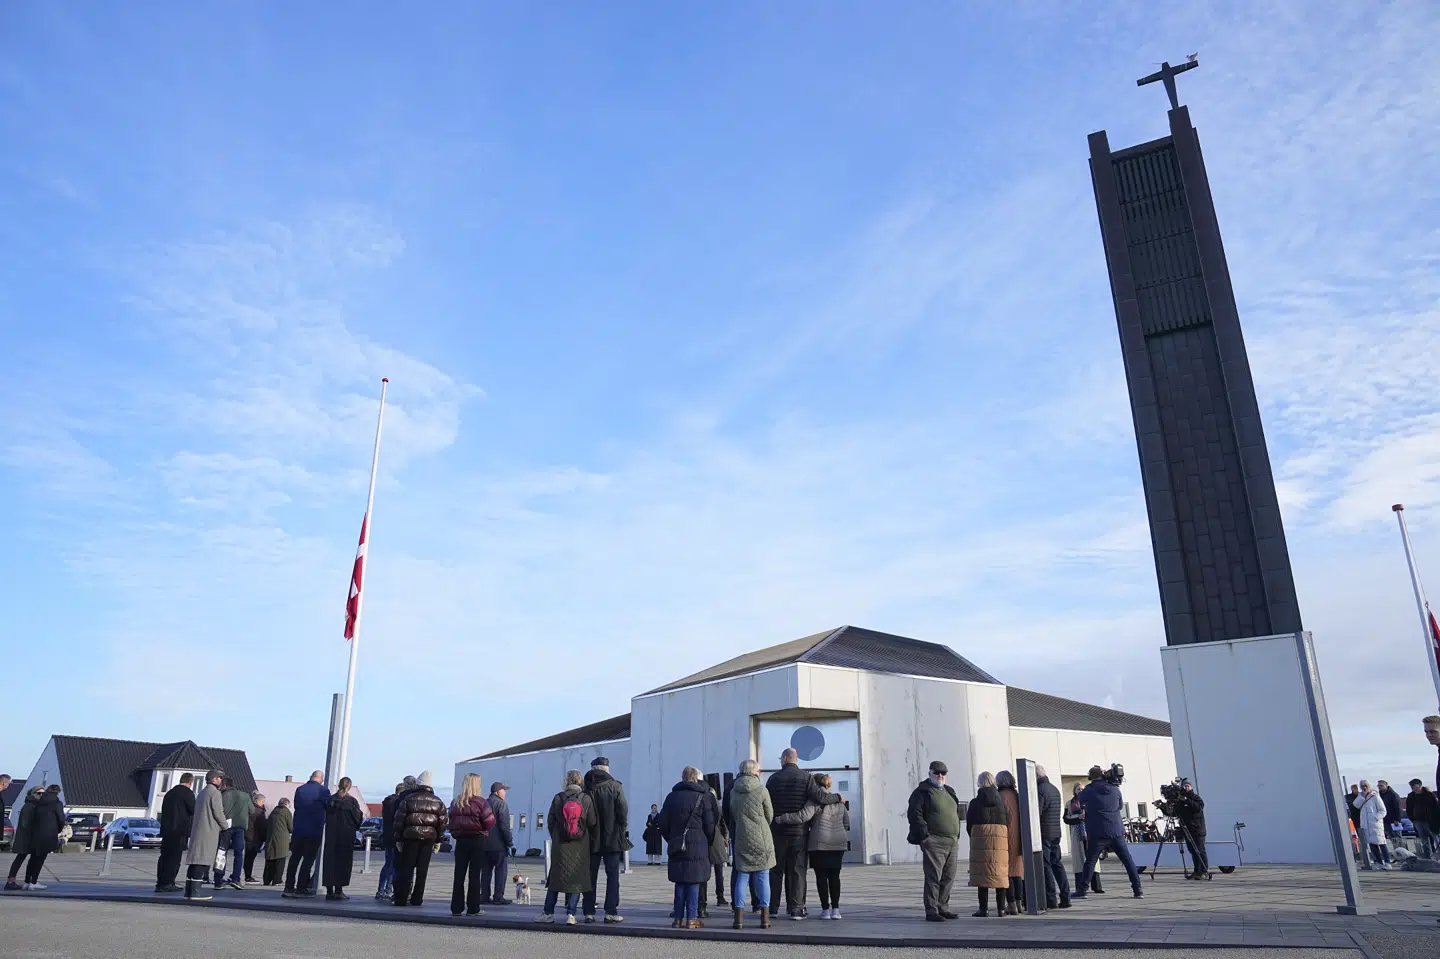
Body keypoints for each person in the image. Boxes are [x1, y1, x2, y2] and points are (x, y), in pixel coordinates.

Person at [774, 773, 850, 920]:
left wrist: (781, 818)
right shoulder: (840, 801)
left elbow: (802, 816)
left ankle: (825, 910)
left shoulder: (815, 801)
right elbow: (846, 822)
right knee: (835, 876)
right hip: (838, 844)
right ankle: (836, 909)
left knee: (821, 877)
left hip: (819, 844)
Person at [766, 747, 827, 920]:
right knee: (797, 871)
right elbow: (819, 797)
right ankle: (796, 909)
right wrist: (837, 798)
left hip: (777, 832)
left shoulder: (773, 779)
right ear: (794, 759)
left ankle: (773, 908)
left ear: (785, 759)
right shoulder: (806, 777)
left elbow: (767, 805)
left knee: (775, 871)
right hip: (799, 833)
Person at [656, 765, 718, 929]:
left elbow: (662, 822)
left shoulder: (671, 797)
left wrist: (671, 838)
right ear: (696, 778)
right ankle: (691, 917)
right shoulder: (702, 797)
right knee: (693, 881)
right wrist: (707, 841)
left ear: (682, 778)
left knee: (680, 881)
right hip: (698, 842)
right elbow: (710, 825)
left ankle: (677, 918)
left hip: (677, 843)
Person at [1071, 766, 1143, 900]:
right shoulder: (1115, 789)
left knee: (1090, 862)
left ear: (1091, 777)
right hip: (1116, 831)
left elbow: (1078, 801)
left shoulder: (1089, 790)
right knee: (1127, 860)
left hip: (1098, 832)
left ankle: (1082, 890)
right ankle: (1138, 889)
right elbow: (1120, 806)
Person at [537, 769, 596, 925]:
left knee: (555, 880)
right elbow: (592, 822)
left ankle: (548, 913)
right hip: (580, 846)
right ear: (580, 782)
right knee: (576, 881)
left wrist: (557, 836)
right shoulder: (586, 799)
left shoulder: (558, 798)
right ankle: (571, 914)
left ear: (566, 782)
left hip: (561, 846)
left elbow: (550, 821)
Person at [907, 759, 963, 922]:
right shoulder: (922, 792)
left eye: (943, 773)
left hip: (952, 842)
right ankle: (932, 910)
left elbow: (955, 813)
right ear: (930, 773)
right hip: (934, 841)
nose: (940, 775)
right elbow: (914, 814)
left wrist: (956, 834)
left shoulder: (949, 791)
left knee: (949, 877)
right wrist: (925, 836)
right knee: (933, 876)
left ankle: (943, 907)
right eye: (936, 773)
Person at [723, 759, 775, 930]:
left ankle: (738, 918)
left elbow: (733, 813)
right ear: (754, 771)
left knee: (742, 876)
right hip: (761, 837)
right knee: (763, 876)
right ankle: (765, 918)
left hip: (741, 837)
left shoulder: (733, 791)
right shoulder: (761, 789)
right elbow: (769, 814)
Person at [582, 757, 630, 923]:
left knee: (590, 876)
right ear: (606, 769)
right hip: (612, 838)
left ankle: (588, 911)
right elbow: (623, 810)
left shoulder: (585, 788)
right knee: (612, 877)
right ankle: (610, 911)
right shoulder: (615, 786)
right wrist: (621, 829)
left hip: (591, 839)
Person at [392, 770, 448, 907]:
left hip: (410, 837)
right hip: (428, 839)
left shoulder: (408, 799)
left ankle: (401, 898)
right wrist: (438, 841)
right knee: (422, 871)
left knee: (407, 868)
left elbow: (399, 820)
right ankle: (417, 899)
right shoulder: (438, 801)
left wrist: (398, 838)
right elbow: (442, 823)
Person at [448, 773, 497, 916]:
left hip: (461, 841)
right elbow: (489, 821)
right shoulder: (481, 802)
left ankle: (456, 907)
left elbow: (450, 822)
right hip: (477, 840)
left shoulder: (456, 802)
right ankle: (473, 907)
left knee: (459, 875)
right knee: (474, 875)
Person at [965, 771, 1010, 917]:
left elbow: (969, 825)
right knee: (1000, 873)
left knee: (981, 874)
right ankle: (1001, 909)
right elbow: (1007, 821)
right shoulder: (1001, 802)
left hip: (981, 841)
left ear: (979, 783)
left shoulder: (975, 803)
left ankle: (983, 909)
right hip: (999, 842)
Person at [6, 786, 63, 891]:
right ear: (32, 794)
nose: (41, 795)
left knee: (30, 859)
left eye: (42, 793)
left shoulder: (38, 805)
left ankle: (25, 881)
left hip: (32, 837)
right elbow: (25, 823)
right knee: (20, 858)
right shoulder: (29, 805)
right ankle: (11, 881)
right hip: (26, 838)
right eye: (38, 793)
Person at [284, 770, 330, 898]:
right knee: (308, 861)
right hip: (314, 830)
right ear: (321, 779)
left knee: (294, 859)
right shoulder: (323, 791)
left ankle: (288, 887)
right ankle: (301, 887)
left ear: (311, 777)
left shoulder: (300, 790)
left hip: (298, 829)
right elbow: (329, 808)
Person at [185, 770, 228, 901]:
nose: (221, 780)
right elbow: (218, 812)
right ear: (214, 779)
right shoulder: (215, 793)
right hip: (208, 831)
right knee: (202, 860)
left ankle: (189, 890)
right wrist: (226, 826)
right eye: (220, 778)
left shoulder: (202, 792)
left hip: (198, 830)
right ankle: (196, 892)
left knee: (194, 861)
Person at [322, 777, 364, 900]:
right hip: (346, 835)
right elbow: (357, 819)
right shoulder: (351, 801)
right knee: (343, 862)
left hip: (331, 835)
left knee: (330, 862)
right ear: (349, 786)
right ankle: (339, 890)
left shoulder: (331, 800)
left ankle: (329, 890)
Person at [1035, 766, 1070, 909]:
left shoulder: (1040, 790)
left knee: (1046, 865)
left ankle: (1051, 899)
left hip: (1045, 833)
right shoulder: (1054, 789)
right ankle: (1066, 896)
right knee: (1057, 864)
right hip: (1056, 832)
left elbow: (1037, 812)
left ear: (1036, 776)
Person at [155, 773, 195, 893]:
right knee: (174, 858)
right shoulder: (187, 793)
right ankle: (168, 882)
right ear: (191, 782)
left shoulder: (169, 793)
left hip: (167, 830)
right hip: (179, 830)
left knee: (164, 857)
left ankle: (161, 882)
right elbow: (193, 809)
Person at [376, 779, 411, 901]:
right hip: (396, 837)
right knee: (394, 866)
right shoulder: (398, 803)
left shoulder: (387, 802)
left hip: (387, 837)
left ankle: (381, 890)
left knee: (388, 864)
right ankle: (388, 890)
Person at [1064, 782, 1102, 894]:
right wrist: (1077, 818)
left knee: (1093, 859)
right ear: (1074, 791)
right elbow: (1066, 819)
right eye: (1078, 789)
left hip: (1090, 832)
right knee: (1079, 861)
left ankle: (1097, 886)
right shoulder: (1069, 803)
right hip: (1077, 834)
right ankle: (1080, 887)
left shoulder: (1090, 801)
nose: (1080, 790)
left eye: (1082, 789)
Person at [479, 781, 513, 905]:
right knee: (501, 871)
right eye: (504, 790)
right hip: (498, 844)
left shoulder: (483, 803)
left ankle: (484, 895)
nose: (505, 793)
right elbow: (504, 826)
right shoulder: (501, 804)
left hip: (484, 843)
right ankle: (498, 896)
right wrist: (509, 842)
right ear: (498, 791)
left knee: (486, 871)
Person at [995, 770, 1025, 916]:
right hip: (1020, 837)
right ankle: (1020, 904)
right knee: (1018, 872)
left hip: (1006, 837)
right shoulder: (1017, 796)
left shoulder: (1000, 796)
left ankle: (1011, 904)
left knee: (1007, 873)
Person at [698, 786, 728, 919]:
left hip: (706, 841)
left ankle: (702, 902)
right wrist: (725, 839)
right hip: (717, 841)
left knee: (704, 873)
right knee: (719, 870)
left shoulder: (702, 806)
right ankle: (720, 896)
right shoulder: (718, 808)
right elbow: (724, 826)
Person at [217, 778, 253, 890]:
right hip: (240, 826)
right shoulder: (245, 795)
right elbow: (252, 810)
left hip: (225, 827)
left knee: (222, 853)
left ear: (225, 785)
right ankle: (236, 879)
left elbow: (218, 810)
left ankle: (218, 880)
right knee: (239, 854)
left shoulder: (222, 796)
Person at [1171, 780, 1209, 879]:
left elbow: (1198, 807)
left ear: (1191, 787)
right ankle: (1197, 871)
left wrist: (1186, 800)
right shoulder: (1181, 800)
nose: (1186, 787)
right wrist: (1163, 807)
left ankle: (1204, 871)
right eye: (1185, 786)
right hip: (1188, 830)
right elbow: (1174, 813)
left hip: (1198, 829)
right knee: (1192, 851)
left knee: (1200, 850)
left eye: (1188, 786)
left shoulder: (1195, 798)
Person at [1353, 780, 1390, 870]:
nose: (1364, 788)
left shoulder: (1375, 796)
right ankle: (1378, 862)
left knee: (1381, 843)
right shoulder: (1361, 796)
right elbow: (1356, 805)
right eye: (1362, 786)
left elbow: (1383, 810)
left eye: (1366, 786)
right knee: (1372, 844)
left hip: (1375, 824)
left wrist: (1375, 818)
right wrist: (1362, 796)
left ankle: (1387, 862)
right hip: (1366, 825)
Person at [1406, 779, 1437, 859]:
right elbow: (1409, 809)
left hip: (1430, 821)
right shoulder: (1411, 796)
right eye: (1411, 786)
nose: (1413, 788)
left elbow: (1436, 808)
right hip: (1418, 821)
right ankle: (1428, 858)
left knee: (1436, 839)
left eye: (1414, 786)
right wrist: (1413, 819)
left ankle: (1437, 856)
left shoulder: (1429, 795)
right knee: (1424, 841)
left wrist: (1435, 819)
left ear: (1420, 785)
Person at [264, 798, 292, 886]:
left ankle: (267, 879)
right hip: (282, 840)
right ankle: (277, 880)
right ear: (286, 804)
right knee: (280, 860)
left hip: (270, 839)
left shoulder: (273, 812)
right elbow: (290, 827)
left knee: (270, 860)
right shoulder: (286, 812)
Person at [243, 793, 267, 884]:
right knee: (250, 858)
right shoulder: (258, 812)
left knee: (247, 858)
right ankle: (248, 876)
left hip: (249, 835)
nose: (263, 803)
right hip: (254, 837)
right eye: (262, 801)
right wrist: (264, 837)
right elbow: (262, 826)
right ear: (257, 801)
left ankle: (246, 875)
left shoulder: (250, 809)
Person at [1346, 783, 1370, 869]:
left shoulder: (1362, 796)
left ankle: (1365, 855)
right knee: (1357, 838)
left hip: (1361, 819)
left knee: (1363, 838)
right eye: (1353, 788)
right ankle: (1360, 855)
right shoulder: (1348, 797)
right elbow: (1351, 806)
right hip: (1354, 819)